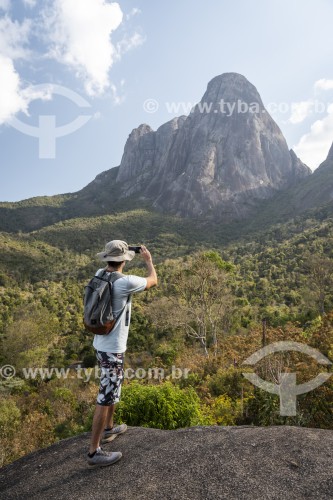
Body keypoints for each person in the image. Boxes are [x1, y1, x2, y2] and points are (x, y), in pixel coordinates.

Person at [87, 240, 157, 467]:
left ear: (107, 258)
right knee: (105, 395)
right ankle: (94, 451)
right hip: (112, 349)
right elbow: (153, 281)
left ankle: (109, 428)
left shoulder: (100, 274)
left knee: (113, 386)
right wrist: (148, 262)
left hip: (100, 344)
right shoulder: (125, 282)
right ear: (125, 260)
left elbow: (112, 263)